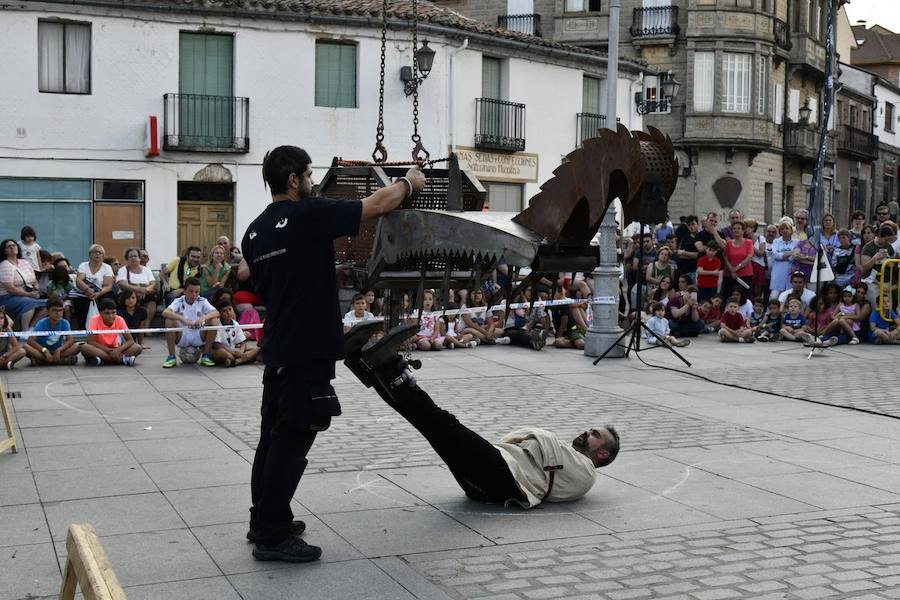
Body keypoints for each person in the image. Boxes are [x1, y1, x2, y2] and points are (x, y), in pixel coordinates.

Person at [239, 145, 425, 563]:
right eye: (308, 174)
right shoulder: (309, 214)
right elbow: (378, 204)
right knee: (294, 438)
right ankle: (271, 536)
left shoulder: (254, 231)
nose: (310, 181)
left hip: (281, 347)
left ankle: (265, 518)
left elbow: (281, 279)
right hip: (307, 349)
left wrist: (326, 271)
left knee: (272, 437)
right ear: (293, 180)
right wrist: (409, 183)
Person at [345, 324, 620, 507]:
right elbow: (545, 450)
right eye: (592, 429)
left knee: (441, 421)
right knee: (427, 423)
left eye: (596, 435)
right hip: (497, 472)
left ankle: (388, 364)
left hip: (506, 482)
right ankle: (366, 364)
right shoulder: (567, 456)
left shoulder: (586, 474)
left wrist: (537, 439)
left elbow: (542, 442)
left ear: (603, 454)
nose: (587, 432)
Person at [161, 278, 219, 368]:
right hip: (182, 336)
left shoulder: (202, 300)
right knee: (169, 320)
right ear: (184, 291)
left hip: (198, 335)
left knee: (214, 320)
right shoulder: (178, 301)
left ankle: (205, 355)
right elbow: (165, 312)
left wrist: (204, 317)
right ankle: (171, 357)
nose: (194, 295)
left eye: (197, 292)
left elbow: (216, 312)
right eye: (191, 291)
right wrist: (183, 319)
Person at [80, 297, 142, 366]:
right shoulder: (94, 320)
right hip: (100, 348)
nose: (111, 316)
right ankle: (121, 359)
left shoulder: (120, 319)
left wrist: (119, 350)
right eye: (107, 313)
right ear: (100, 313)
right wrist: (108, 350)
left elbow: (130, 340)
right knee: (84, 347)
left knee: (137, 348)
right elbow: (91, 341)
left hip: (116, 348)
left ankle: (104, 360)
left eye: (113, 312)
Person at [0, 238, 46, 328]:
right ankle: (25, 330)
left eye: (14, 245)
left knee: (50, 303)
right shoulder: (4, 265)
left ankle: (32, 328)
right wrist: (28, 294)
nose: (12, 247)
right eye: (9, 246)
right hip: (7, 298)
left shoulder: (25, 262)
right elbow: (10, 288)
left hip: (27, 294)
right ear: (4, 251)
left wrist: (36, 289)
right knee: (29, 303)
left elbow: (34, 280)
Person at [116, 247, 157, 344]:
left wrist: (145, 290)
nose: (133, 258)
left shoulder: (146, 270)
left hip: (145, 294)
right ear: (127, 259)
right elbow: (123, 284)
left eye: (135, 256)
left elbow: (153, 284)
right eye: (130, 257)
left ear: (139, 258)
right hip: (128, 295)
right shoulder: (123, 270)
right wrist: (138, 289)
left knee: (152, 299)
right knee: (130, 296)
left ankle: (145, 327)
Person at [706, 218, 754, 302]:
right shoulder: (728, 243)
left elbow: (749, 257)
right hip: (729, 276)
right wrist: (732, 271)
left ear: (743, 231)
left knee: (744, 298)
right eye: (734, 228)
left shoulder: (748, 242)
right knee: (728, 297)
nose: (736, 230)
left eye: (739, 228)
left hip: (745, 275)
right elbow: (725, 257)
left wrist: (737, 268)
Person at [69, 244, 115, 329]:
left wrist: (99, 293)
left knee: (108, 300)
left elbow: (108, 286)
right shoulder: (83, 265)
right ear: (90, 254)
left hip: (101, 292)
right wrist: (87, 290)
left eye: (100, 253)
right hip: (85, 291)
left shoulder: (107, 268)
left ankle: (105, 326)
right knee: (80, 301)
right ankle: (83, 329)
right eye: (95, 252)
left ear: (103, 256)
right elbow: (79, 280)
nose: (98, 254)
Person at [25, 297, 80, 366]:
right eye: (54, 310)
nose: (58, 313)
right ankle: (59, 361)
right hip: (42, 351)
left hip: (58, 351)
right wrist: (44, 350)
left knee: (79, 345)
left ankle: (43, 361)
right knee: (25, 347)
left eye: (60, 310)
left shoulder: (65, 322)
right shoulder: (41, 323)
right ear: (48, 311)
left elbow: (70, 340)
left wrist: (60, 349)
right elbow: (30, 340)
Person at [212, 301, 260, 366]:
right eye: (224, 311)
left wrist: (241, 351)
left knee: (257, 349)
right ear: (220, 313)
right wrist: (233, 352)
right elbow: (217, 345)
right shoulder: (217, 324)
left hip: (234, 350)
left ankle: (237, 361)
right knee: (221, 352)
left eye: (230, 309)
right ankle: (239, 360)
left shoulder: (235, 323)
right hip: (223, 350)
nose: (228, 313)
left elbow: (243, 341)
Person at [860, 225, 896, 306]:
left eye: (889, 240)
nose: (887, 242)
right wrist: (875, 258)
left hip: (886, 281)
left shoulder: (889, 247)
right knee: (876, 305)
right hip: (872, 281)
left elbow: (893, 265)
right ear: (879, 236)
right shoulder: (868, 247)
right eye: (886, 240)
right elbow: (865, 267)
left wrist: (890, 262)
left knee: (887, 307)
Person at [676, 215, 701, 283]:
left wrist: (684, 253)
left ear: (698, 224)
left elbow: (699, 255)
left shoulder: (701, 237)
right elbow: (679, 254)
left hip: (696, 270)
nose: (691, 227)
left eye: (693, 224)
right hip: (684, 270)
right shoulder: (685, 238)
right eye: (689, 225)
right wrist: (692, 255)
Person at [0, 305, 26, 370]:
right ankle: (6, 365)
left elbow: (16, 346)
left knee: (22, 351)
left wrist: (4, 356)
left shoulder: (7, 328)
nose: (0, 320)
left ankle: (5, 363)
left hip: (3, 355)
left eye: (1, 318)